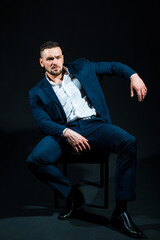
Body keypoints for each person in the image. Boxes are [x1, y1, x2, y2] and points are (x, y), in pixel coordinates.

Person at [27, 41, 147, 238]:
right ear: (42, 62)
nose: (55, 62)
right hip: (64, 131)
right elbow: (42, 123)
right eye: (49, 59)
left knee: (128, 141)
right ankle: (73, 196)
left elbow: (114, 67)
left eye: (58, 57)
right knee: (35, 160)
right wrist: (66, 132)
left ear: (63, 57)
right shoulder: (36, 92)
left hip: (95, 125)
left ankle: (121, 211)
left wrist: (134, 76)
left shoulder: (82, 67)